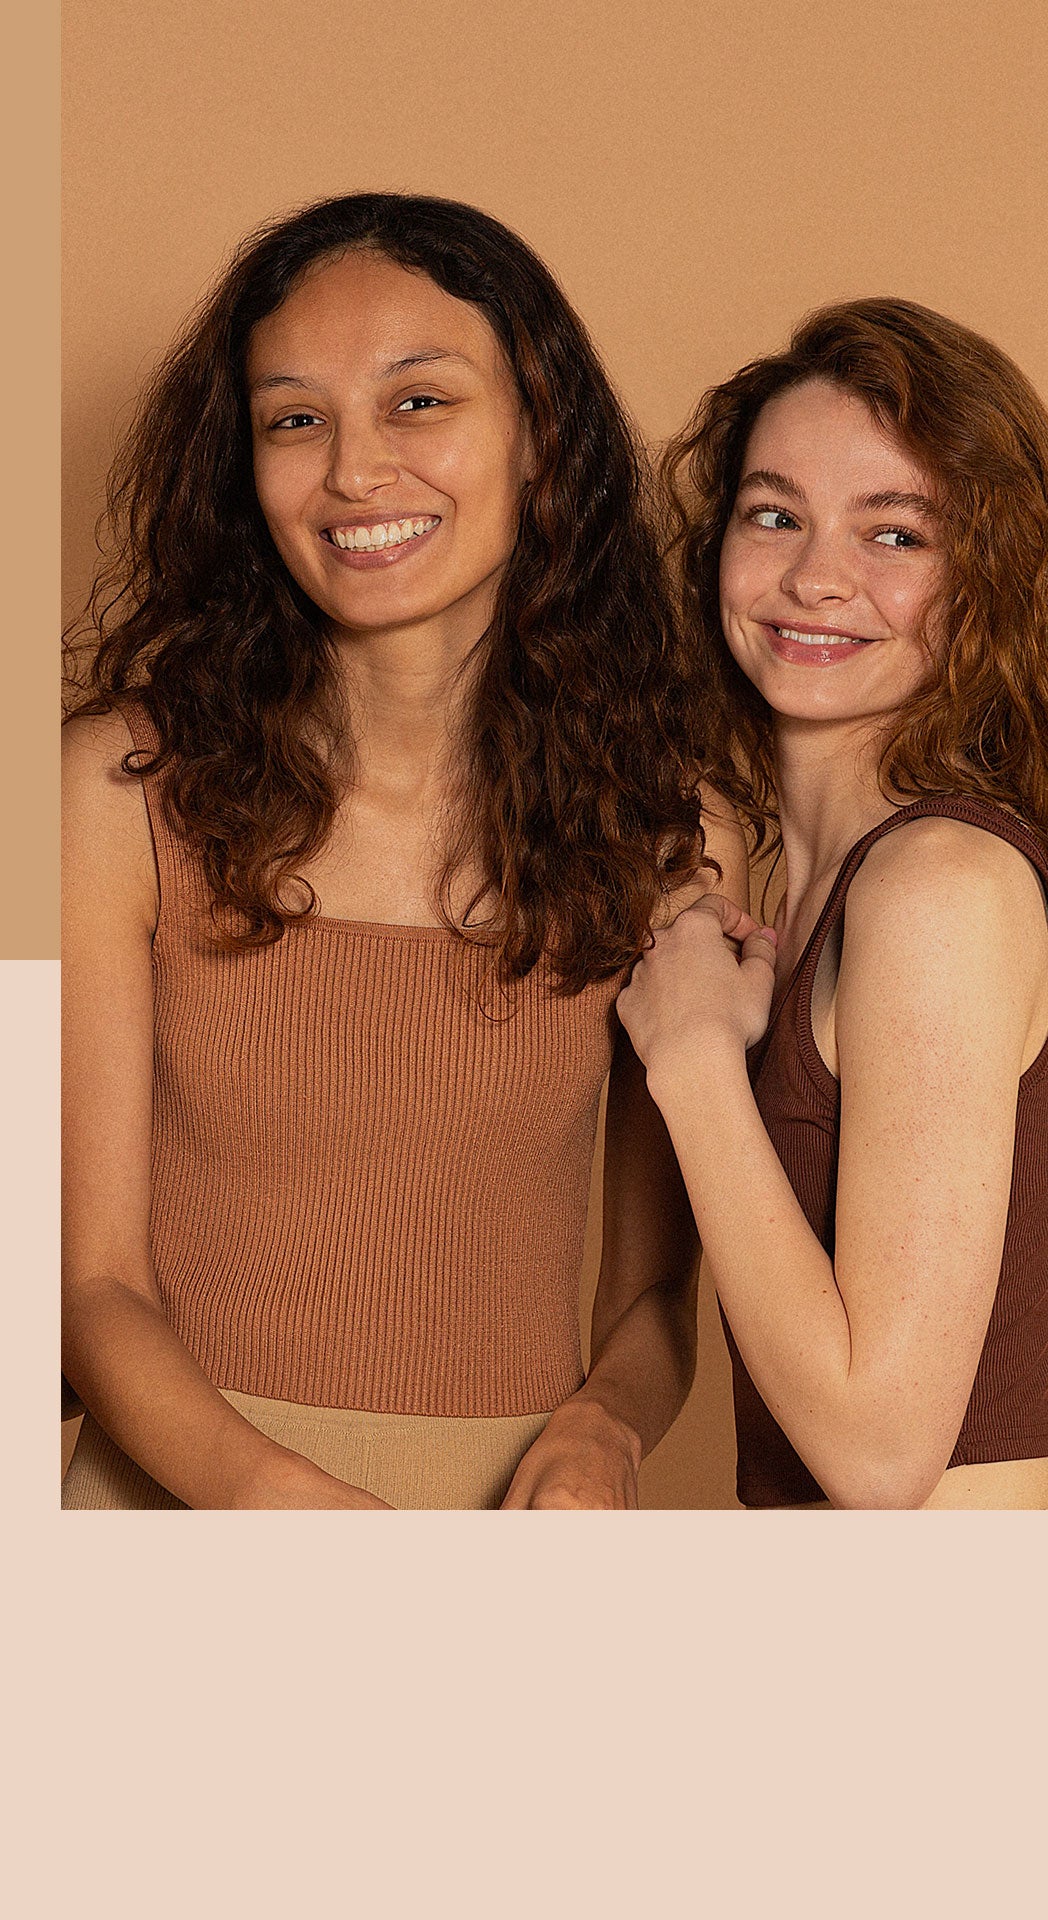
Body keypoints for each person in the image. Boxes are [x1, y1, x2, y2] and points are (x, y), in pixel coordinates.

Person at [62, 192, 746, 1510]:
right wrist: (275, 1502)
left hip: (508, 1546)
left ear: (543, 436)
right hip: (172, 1523)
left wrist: (604, 1430)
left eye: (418, 401)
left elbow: (658, 1291)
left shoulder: (668, 827)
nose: (355, 470)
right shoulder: (116, 793)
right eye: (293, 419)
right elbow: (91, 1282)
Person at [618, 298, 1048, 1509]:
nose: (815, 578)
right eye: (775, 515)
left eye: (897, 536)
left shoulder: (940, 888)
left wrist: (696, 1058)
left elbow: (878, 1452)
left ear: (990, 578)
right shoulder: (786, 892)